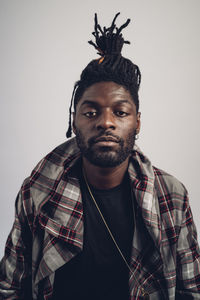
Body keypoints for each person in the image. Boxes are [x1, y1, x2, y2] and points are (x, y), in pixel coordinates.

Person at [0, 12, 199, 300]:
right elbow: (9, 288)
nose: (106, 122)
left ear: (137, 122)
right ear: (74, 121)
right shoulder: (38, 191)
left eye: (120, 112)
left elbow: (191, 291)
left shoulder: (171, 196)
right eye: (91, 112)